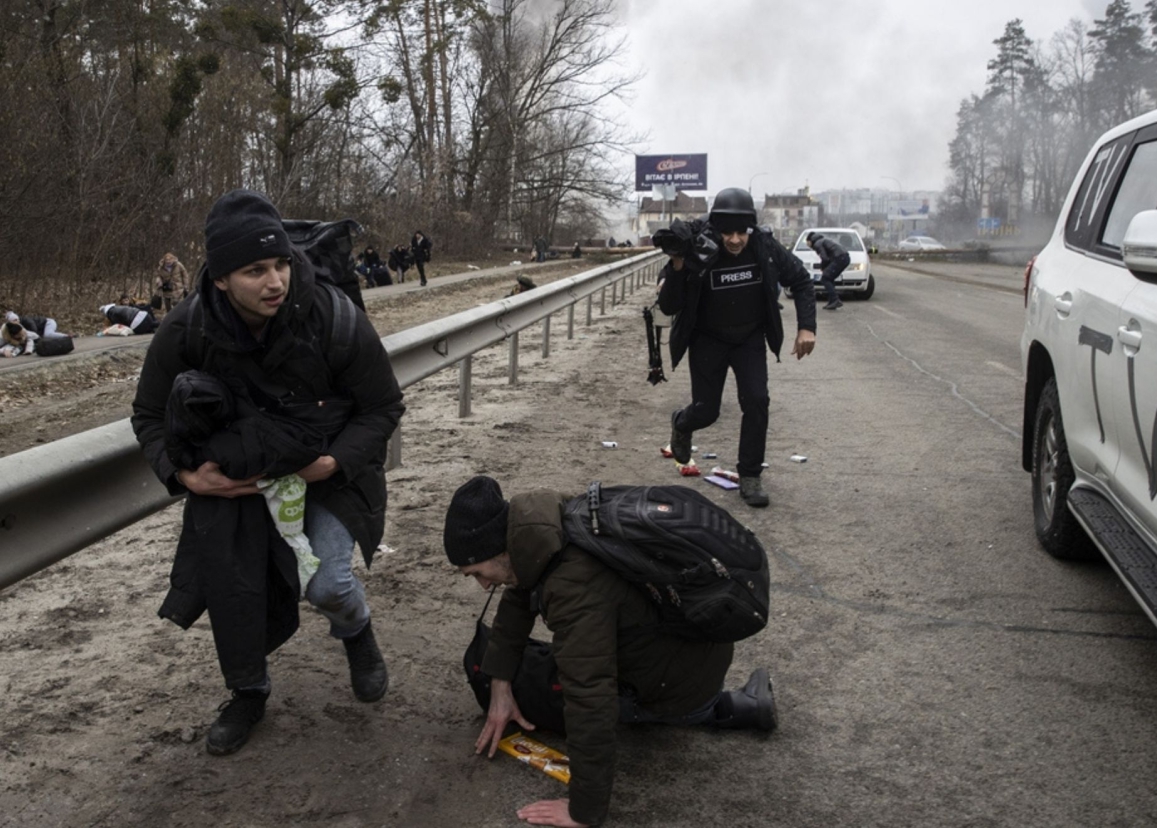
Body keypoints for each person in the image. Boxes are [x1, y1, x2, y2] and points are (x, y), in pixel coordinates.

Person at [130, 189, 405, 757]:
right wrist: (186, 479)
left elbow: (383, 407)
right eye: (255, 270)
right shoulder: (187, 330)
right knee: (235, 592)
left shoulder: (333, 316)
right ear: (222, 278)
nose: (275, 280)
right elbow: (148, 415)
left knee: (328, 583)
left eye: (281, 263)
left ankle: (356, 631)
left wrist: (330, 463)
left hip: (324, 469)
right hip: (234, 478)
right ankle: (248, 695)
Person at [446, 475, 776, 828]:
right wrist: (499, 684)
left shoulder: (573, 586)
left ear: (499, 549)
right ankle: (727, 705)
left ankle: (694, 710)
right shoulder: (550, 520)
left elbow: (589, 697)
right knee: (512, 667)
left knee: (536, 684)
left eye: (477, 572)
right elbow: (519, 590)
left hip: (670, 685)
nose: (483, 585)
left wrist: (584, 810)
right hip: (693, 656)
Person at [656, 187, 817, 508]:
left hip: (749, 339)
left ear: (750, 229)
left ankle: (750, 475)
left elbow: (800, 280)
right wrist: (677, 264)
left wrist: (806, 327)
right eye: (726, 232)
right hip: (707, 339)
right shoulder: (697, 248)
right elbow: (670, 305)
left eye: (740, 232)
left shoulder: (764, 246)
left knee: (757, 401)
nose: (734, 240)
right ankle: (682, 423)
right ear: (716, 228)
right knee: (707, 410)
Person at [805, 232, 849, 310]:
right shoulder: (822, 241)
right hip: (844, 257)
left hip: (839, 258)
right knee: (829, 278)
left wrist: (823, 267)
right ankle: (832, 301)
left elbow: (824, 258)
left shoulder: (817, 244)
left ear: (811, 240)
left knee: (825, 278)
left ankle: (835, 300)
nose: (808, 245)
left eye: (808, 242)